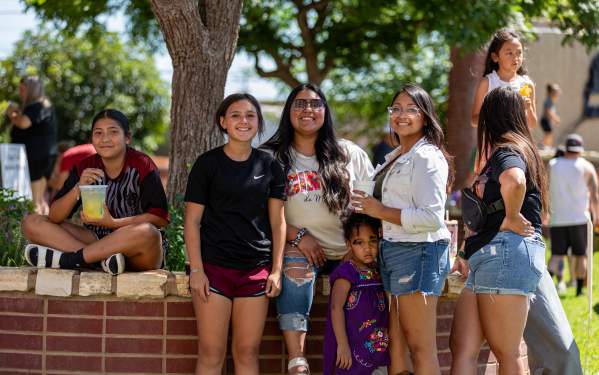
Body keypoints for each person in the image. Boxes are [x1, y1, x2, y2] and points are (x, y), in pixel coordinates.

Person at [262, 83, 374, 375]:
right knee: (295, 266)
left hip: (348, 251)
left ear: (326, 111)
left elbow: (369, 204)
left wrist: (360, 248)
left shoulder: (348, 153)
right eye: (299, 104)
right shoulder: (271, 157)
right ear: (288, 112)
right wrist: (298, 236)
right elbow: (260, 212)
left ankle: (374, 362)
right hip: (298, 247)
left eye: (315, 104)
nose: (308, 110)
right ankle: (297, 359)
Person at [183, 93, 286, 375]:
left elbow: (278, 223)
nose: (243, 121)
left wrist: (276, 270)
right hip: (213, 271)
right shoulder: (207, 164)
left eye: (250, 115)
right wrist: (196, 270)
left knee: (247, 353)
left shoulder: (270, 166)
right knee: (211, 353)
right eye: (236, 115)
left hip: (255, 271)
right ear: (223, 122)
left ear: (258, 123)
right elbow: (191, 222)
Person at [354, 83, 452, 375]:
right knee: (396, 341)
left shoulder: (427, 156)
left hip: (419, 251)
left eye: (411, 109)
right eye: (396, 109)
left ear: (425, 116)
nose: (401, 115)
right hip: (394, 251)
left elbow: (432, 217)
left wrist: (379, 210)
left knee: (420, 346)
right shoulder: (398, 153)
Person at [451, 87, 548, 374]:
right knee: (462, 347)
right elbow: (484, 217)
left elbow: (514, 181)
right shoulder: (499, 153)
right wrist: (465, 251)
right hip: (487, 256)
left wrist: (512, 216)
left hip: (506, 252)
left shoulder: (508, 150)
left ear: (490, 119)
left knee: (506, 352)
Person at [21, 109, 168, 275]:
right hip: (95, 239)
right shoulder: (85, 166)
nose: (105, 139)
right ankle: (101, 261)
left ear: (127, 137)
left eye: (113, 132)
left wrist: (112, 222)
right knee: (32, 223)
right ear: (92, 138)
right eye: (98, 133)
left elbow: (159, 218)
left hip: (136, 249)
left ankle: (72, 260)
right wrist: (78, 187)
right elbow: (54, 216)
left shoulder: (142, 164)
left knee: (148, 232)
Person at [323, 213, 390, 375]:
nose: (367, 248)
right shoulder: (347, 272)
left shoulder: (379, 271)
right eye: (358, 242)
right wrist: (342, 344)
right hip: (352, 348)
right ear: (348, 245)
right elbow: (335, 308)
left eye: (372, 240)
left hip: (378, 348)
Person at [548, 134, 598, 296]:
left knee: (556, 255)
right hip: (579, 218)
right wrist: (596, 216)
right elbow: (595, 195)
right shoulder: (587, 166)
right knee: (581, 255)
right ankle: (578, 290)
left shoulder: (553, 165)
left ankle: (548, 290)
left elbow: (545, 187)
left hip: (557, 218)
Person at [5, 75, 57, 214]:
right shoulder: (44, 105)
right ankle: (44, 230)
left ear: (32, 89)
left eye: (23, 89)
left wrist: (12, 114)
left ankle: (36, 233)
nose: (20, 92)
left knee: (34, 202)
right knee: (39, 200)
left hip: (36, 158)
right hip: (43, 156)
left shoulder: (36, 106)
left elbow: (24, 123)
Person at [471, 28, 537, 132]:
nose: (515, 57)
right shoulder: (488, 83)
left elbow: (532, 124)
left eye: (519, 53)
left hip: (518, 143)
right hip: (493, 144)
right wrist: (501, 111)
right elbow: (474, 120)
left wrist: (528, 109)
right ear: (495, 57)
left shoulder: (527, 84)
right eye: (509, 53)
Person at [540, 83, 561, 149]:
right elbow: (548, 111)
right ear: (551, 92)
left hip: (547, 121)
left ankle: (547, 145)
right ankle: (545, 145)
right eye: (556, 92)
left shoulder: (551, 100)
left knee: (549, 134)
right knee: (548, 134)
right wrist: (555, 118)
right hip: (545, 120)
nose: (557, 93)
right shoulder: (549, 100)